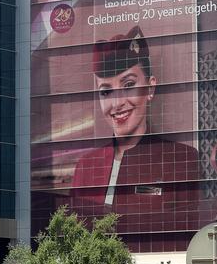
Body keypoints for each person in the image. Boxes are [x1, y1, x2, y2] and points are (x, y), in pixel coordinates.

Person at [70, 25, 199, 233]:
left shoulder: (181, 160)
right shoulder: (86, 167)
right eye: (106, 92)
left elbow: (186, 234)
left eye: (128, 85)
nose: (117, 103)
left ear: (150, 87)